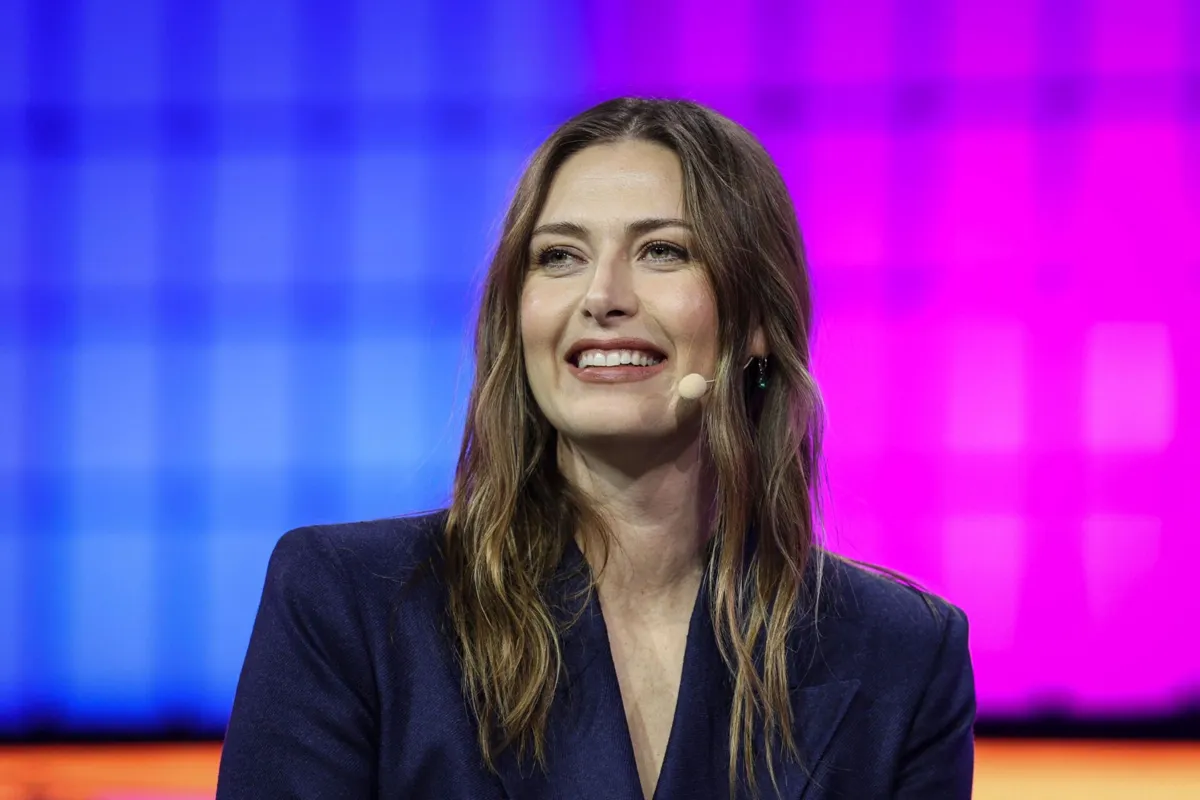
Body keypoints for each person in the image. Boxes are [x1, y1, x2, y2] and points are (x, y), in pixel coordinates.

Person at [216, 97, 975, 799]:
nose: (602, 295)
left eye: (664, 252)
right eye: (559, 257)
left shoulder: (902, 655)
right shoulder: (348, 605)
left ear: (755, 323)